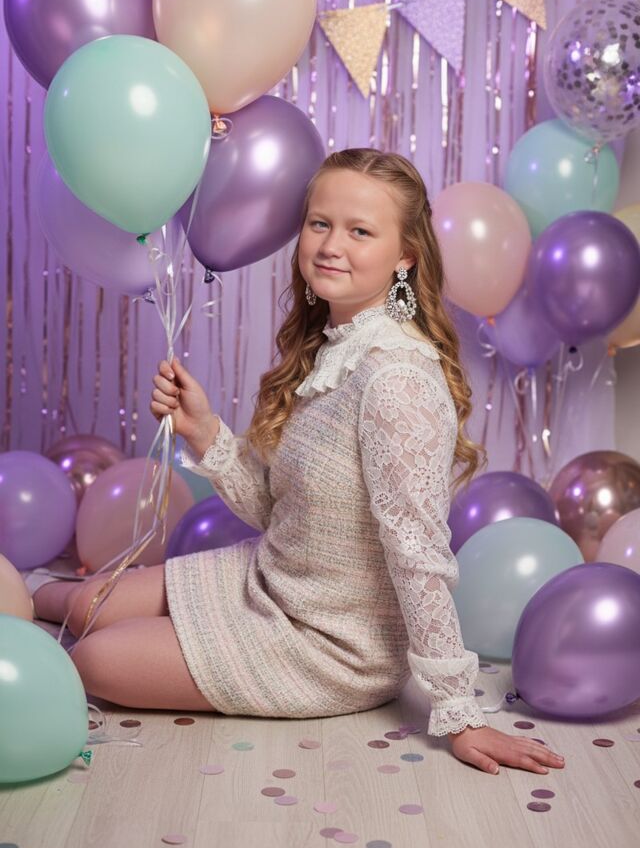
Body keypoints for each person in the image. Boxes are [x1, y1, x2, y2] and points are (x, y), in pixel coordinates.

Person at [33, 148, 565, 779]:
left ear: (405, 256)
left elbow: (418, 553)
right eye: (320, 223)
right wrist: (204, 431)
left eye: (360, 231)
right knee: (84, 603)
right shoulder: (334, 350)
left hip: (330, 644)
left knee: (94, 660)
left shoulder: (396, 380)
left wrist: (458, 709)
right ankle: (20, 597)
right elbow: (281, 510)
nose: (331, 245)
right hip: (271, 579)